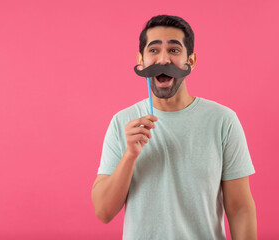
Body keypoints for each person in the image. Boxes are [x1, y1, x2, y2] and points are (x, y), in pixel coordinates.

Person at [91, 14, 257, 240]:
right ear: (141, 60)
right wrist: (130, 155)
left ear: (191, 60)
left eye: (174, 50)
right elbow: (103, 211)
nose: (163, 60)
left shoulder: (223, 121)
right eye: (153, 50)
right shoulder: (122, 122)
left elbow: (240, 209)